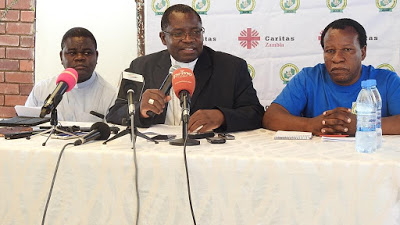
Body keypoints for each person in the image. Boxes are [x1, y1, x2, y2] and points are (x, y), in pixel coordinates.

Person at [106, 4, 264, 133]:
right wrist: (140, 109)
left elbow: (255, 114)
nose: (189, 40)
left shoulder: (232, 67)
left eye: (195, 32)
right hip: (157, 152)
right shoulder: (141, 66)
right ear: (163, 38)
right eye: (178, 34)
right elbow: (115, 113)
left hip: (210, 153)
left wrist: (222, 116)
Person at [263, 18, 400, 135]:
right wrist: (311, 125)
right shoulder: (308, 78)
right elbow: (271, 117)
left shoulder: (386, 80)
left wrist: (363, 125)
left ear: (363, 52)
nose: (337, 58)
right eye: (330, 51)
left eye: (347, 50)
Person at [25, 27, 117, 122]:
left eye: (87, 53)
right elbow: (26, 128)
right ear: (61, 57)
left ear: (96, 56)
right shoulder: (41, 90)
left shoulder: (111, 95)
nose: (80, 58)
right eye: (72, 53)